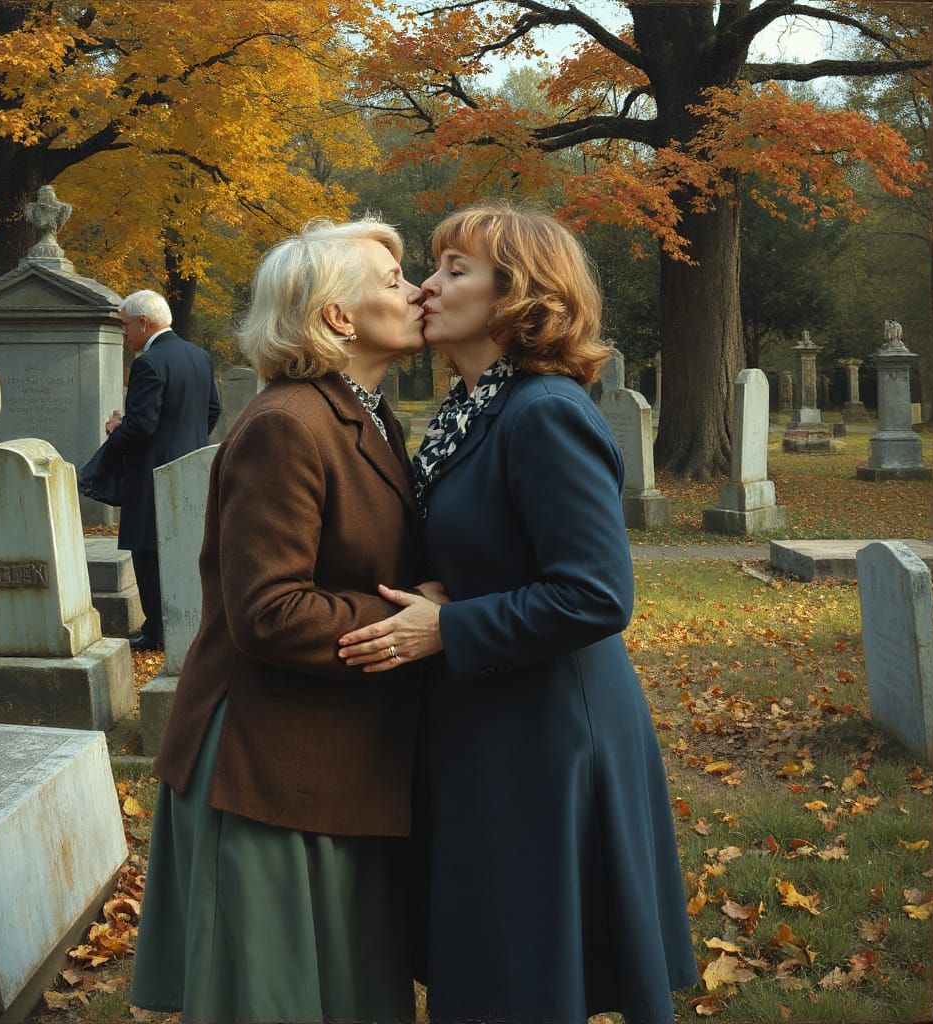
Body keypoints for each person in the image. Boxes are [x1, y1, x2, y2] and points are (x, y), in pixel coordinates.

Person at [339, 204, 699, 1024]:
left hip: (549, 733)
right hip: (491, 721)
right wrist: (441, 589)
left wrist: (449, 624)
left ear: (517, 294)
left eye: (454, 270)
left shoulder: (545, 412)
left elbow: (598, 593)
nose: (427, 287)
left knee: (527, 971)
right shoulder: (468, 412)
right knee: (497, 962)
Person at [130, 217, 429, 1023]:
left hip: (328, 755)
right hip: (265, 770)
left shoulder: (363, 413)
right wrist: (413, 620)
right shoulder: (287, 425)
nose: (418, 289)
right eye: (396, 278)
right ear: (338, 316)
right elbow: (270, 611)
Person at [104, 290, 220, 651]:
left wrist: (115, 429)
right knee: (188, 548)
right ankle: (191, 620)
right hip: (192, 469)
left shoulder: (148, 362)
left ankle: (158, 632)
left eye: (125, 326)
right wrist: (188, 444)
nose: (124, 335)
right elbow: (212, 410)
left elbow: (141, 426)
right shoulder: (200, 357)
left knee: (147, 551)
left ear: (143, 323)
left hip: (151, 475)